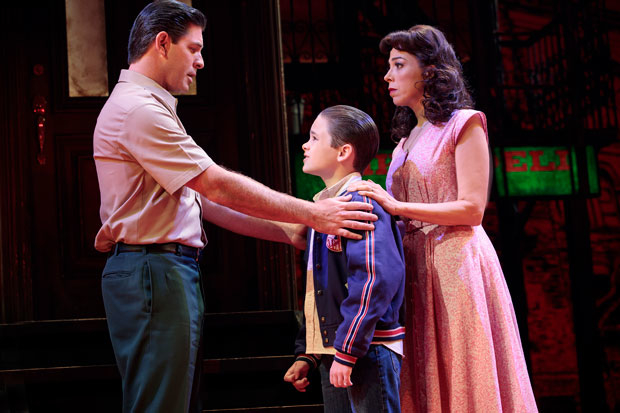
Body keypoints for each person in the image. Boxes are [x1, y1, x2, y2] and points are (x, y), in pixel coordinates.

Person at [93, 2, 377, 412]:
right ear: (162, 43)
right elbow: (213, 183)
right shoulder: (139, 109)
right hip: (152, 271)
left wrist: (287, 230)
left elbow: (200, 199)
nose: (201, 61)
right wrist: (312, 213)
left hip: (160, 271)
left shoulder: (148, 106)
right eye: (193, 49)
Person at [348, 25, 538, 412]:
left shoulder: (464, 123)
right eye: (388, 66)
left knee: (466, 370)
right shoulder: (404, 142)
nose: (388, 76)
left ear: (430, 72)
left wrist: (398, 208)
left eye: (399, 64)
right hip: (415, 269)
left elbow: (471, 209)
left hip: (457, 264)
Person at [283, 105, 406, 413]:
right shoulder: (326, 209)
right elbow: (321, 289)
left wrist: (347, 350)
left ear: (343, 152)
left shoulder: (361, 203)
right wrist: (308, 352)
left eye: (314, 137)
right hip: (335, 350)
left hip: (365, 349)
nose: (305, 145)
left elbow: (375, 279)